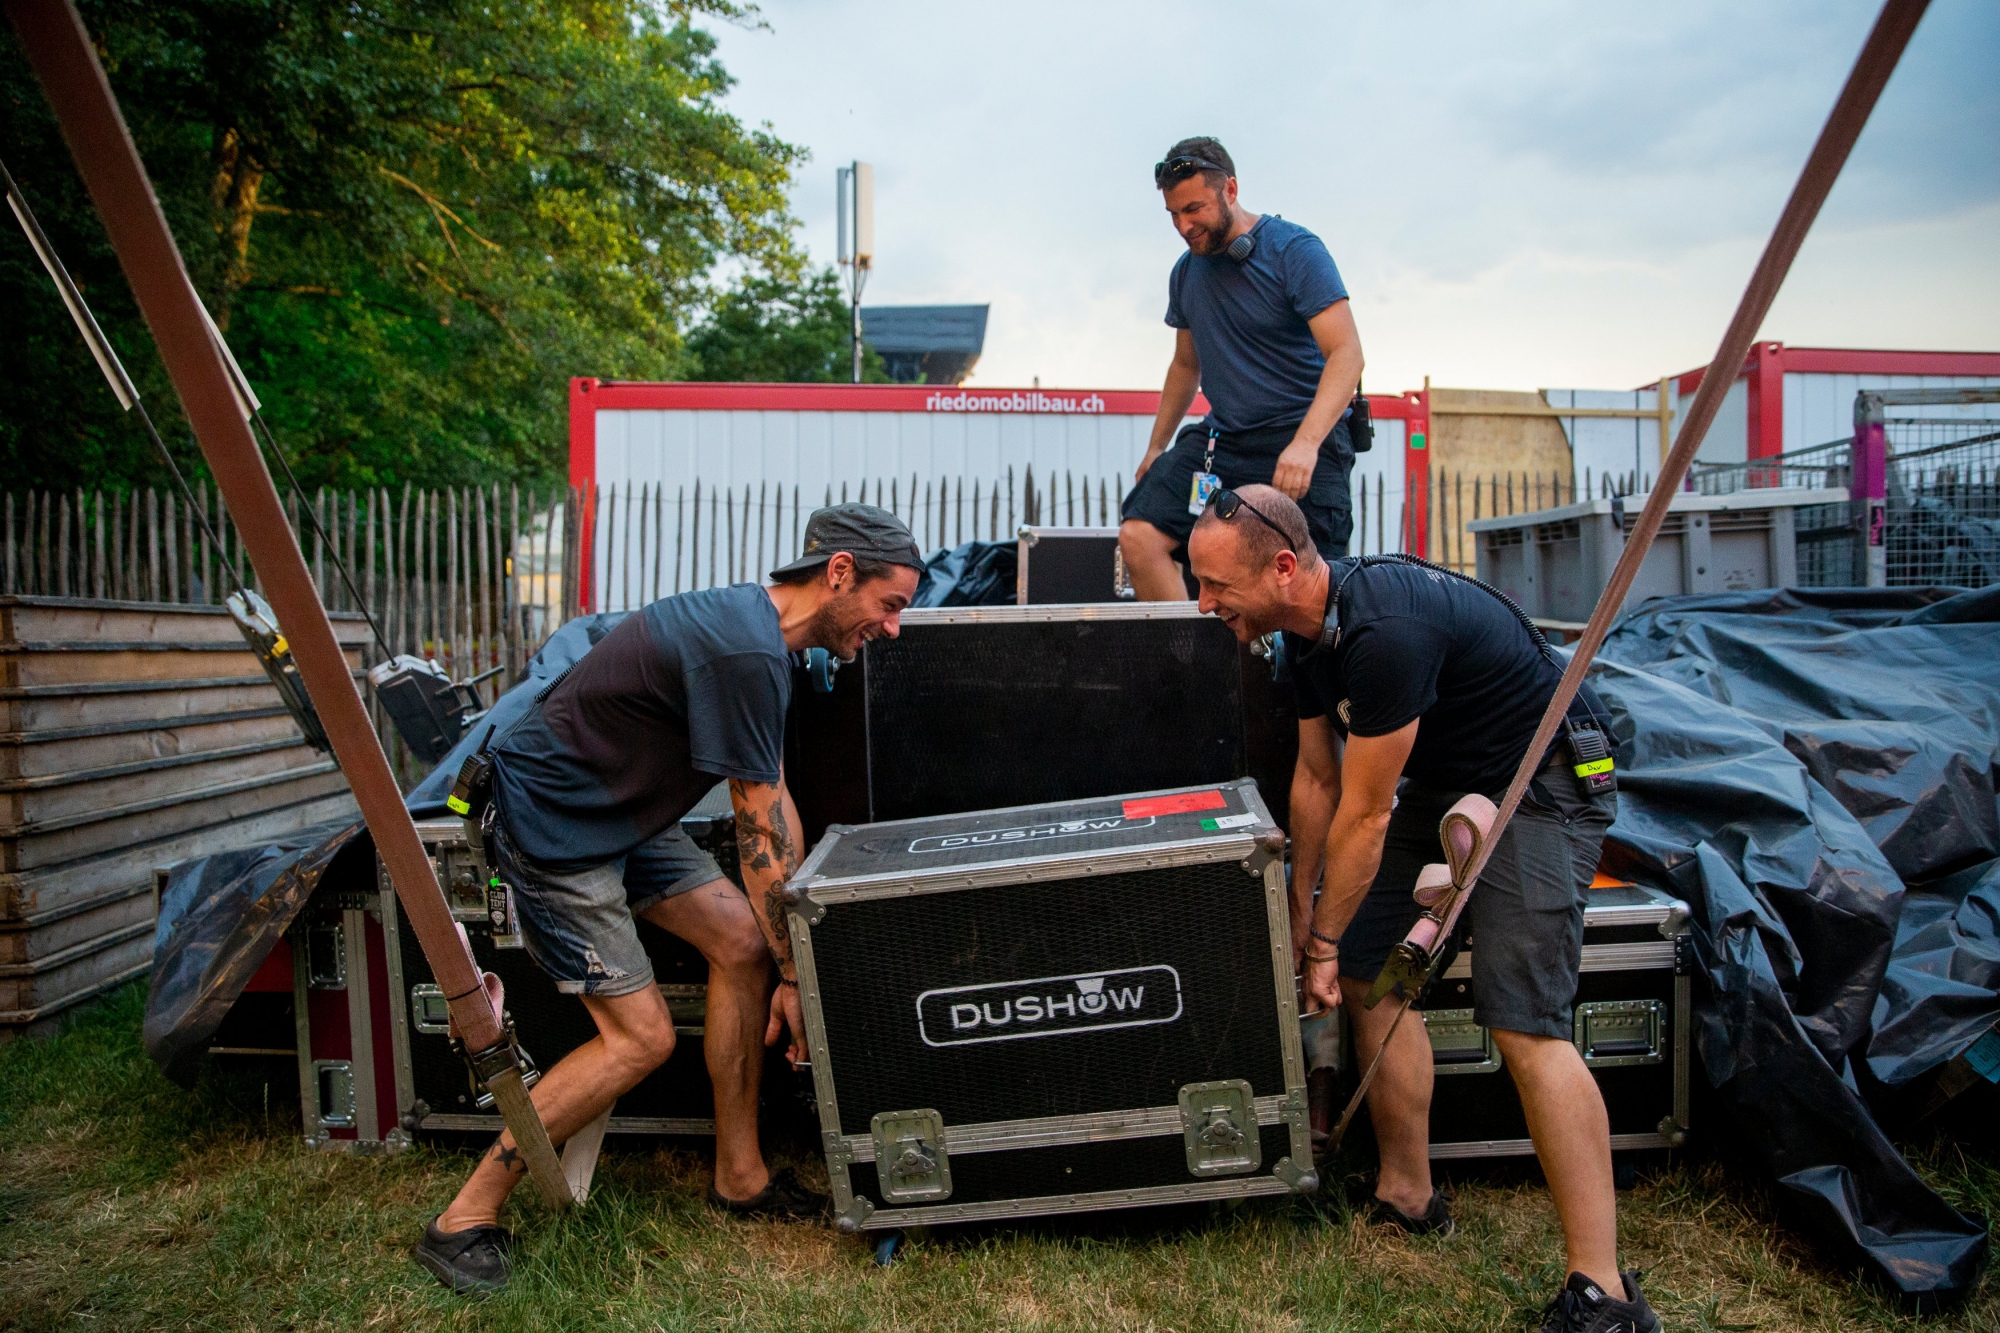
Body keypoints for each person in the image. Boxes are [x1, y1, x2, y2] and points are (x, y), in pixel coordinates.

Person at [412, 503, 924, 1296]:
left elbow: (772, 798)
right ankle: (461, 1219)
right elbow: (756, 832)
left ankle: (740, 1176)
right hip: (553, 824)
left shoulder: (765, 644)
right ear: (839, 574)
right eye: (890, 605)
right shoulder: (748, 650)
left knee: (741, 943)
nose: (892, 627)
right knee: (640, 1038)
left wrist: (784, 952)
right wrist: (799, 974)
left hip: (622, 815)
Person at [1185, 485, 1662, 1333]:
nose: (1202, 602)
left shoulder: (1384, 633)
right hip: (1448, 782)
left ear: (1285, 567)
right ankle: (1409, 1191)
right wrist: (1306, 919)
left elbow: (1366, 814)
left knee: (1524, 1019)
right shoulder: (1303, 640)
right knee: (1374, 975)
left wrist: (1323, 934)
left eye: (1216, 584)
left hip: (1540, 781)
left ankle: (1604, 1291)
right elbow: (1316, 782)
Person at [1120, 136, 1365, 600]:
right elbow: (1185, 364)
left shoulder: (1295, 251)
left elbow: (1347, 354)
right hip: (1225, 440)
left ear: (1230, 189)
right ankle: (1195, 668)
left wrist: (1306, 444)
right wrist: (1157, 447)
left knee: (1308, 588)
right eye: (1173, 214)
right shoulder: (1186, 273)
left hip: (1300, 438)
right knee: (1140, 534)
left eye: (1194, 209)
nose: (1184, 225)